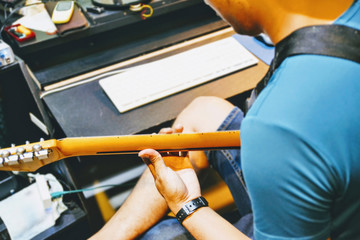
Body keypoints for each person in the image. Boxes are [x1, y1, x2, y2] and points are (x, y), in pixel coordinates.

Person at [90, 0, 360, 239]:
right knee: (202, 113)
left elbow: (287, 132)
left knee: (163, 235)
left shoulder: (279, 123)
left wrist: (186, 203)